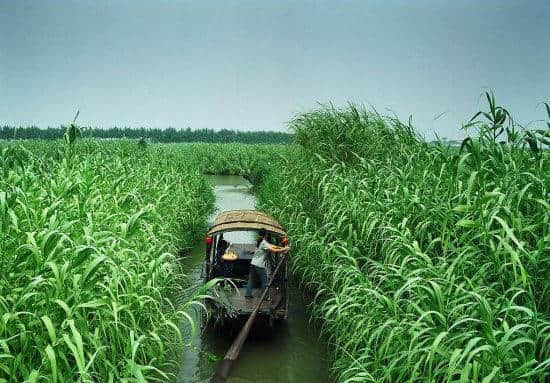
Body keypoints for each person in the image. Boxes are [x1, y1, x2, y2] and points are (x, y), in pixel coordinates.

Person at [245, 229, 290, 298]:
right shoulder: (264, 243)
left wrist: (282, 247)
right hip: (259, 265)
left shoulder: (260, 241)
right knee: (265, 281)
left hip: (253, 263)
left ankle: (248, 295)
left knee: (251, 280)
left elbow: (272, 246)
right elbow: (274, 250)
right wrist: (284, 249)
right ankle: (265, 297)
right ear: (265, 235)